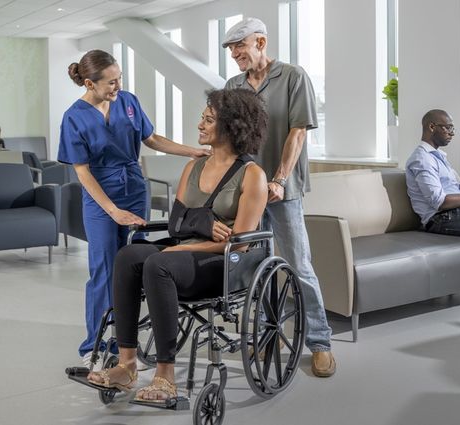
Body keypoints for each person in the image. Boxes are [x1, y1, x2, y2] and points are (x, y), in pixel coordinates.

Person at [86, 88, 269, 401]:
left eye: (208, 120)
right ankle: (127, 364)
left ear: (230, 127)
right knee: (129, 255)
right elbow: (176, 224)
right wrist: (201, 225)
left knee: (159, 262)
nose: (200, 124)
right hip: (184, 254)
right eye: (203, 117)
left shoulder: (252, 175)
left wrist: (185, 246)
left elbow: (238, 244)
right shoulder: (193, 167)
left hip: (221, 263)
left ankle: (165, 377)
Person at [58, 49, 209, 369]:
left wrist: (191, 152)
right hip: (100, 198)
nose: (117, 86)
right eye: (111, 82)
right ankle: (95, 345)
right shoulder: (74, 117)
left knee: (137, 266)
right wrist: (112, 210)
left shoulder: (128, 101)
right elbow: (82, 172)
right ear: (89, 83)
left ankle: (127, 341)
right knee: (104, 269)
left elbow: (151, 139)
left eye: (119, 79)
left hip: (134, 189)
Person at [222, 17, 336, 377]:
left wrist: (280, 179)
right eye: (230, 49)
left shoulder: (292, 77)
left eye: (240, 46)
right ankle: (262, 334)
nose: (235, 54)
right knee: (254, 267)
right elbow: (232, 140)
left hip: (283, 191)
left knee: (299, 265)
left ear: (260, 41)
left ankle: (320, 343)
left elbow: (297, 133)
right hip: (249, 192)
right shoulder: (233, 85)